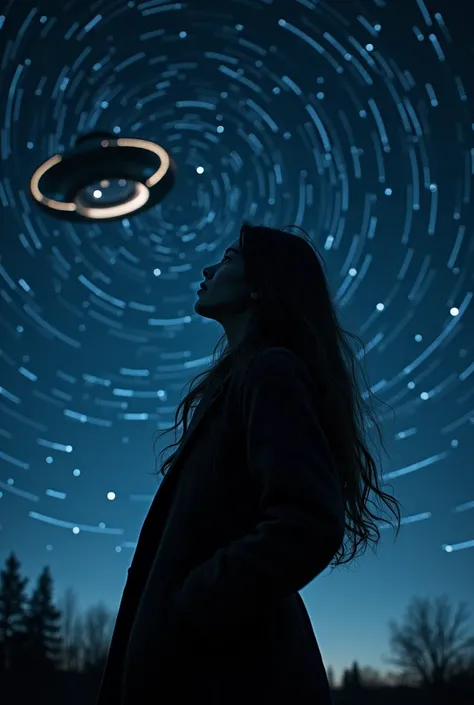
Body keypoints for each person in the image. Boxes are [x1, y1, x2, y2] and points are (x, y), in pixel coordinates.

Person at [96, 223, 401, 705]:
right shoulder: (242, 381)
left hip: (232, 677)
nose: (208, 268)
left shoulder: (269, 371)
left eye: (230, 258)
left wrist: (194, 602)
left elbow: (307, 523)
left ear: (261, 284)